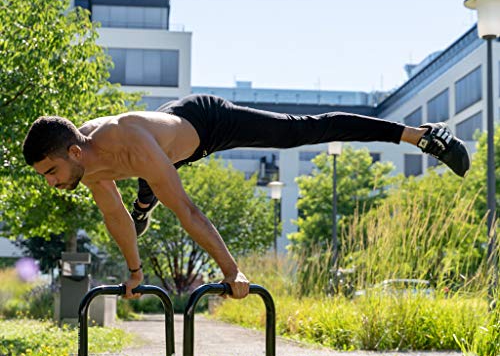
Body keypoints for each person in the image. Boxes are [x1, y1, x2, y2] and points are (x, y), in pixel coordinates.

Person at [22, 94, 470, 300]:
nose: (50, 182)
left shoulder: (129, 143)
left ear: (75, 152)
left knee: (300, 130)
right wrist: (134, 273)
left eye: (51, 172)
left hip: (204, 124)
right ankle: (145, 201)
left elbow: (190, 212)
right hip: (161, 144)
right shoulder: (90, 171)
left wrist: (232, 270)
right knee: (141, 195)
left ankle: (421, 136)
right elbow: (114, 220)